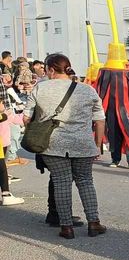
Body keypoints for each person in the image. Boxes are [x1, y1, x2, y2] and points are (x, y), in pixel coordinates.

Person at [23, 54, 107, 239]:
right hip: (83, 145)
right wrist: (98, 144)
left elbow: (26, 118)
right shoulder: (88, 90)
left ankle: (66, 227)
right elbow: (100, 120)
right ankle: (94, 223)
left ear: (51, 70)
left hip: (52, 144)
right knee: (85, 181)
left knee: (61, 182)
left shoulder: (40, 88)